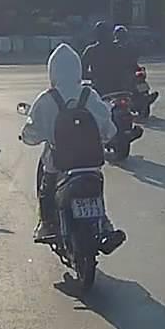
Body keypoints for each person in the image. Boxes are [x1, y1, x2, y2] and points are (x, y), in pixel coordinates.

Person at [22, 43, 118, 242]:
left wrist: (29, 136)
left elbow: (31, 134)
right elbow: (109, 130)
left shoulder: (47, 99)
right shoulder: (89, 95)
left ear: (52, 71)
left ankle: (46, 224)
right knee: (96, 185)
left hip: (59, 164)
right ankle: (104, 222)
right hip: (91, 163)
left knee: (47, 187)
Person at [81, 21, 131, 96]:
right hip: (117, 87)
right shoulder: (119, 49)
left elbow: (82, 71)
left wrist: (93, 76)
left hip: (103, 88)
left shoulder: (91, 50)